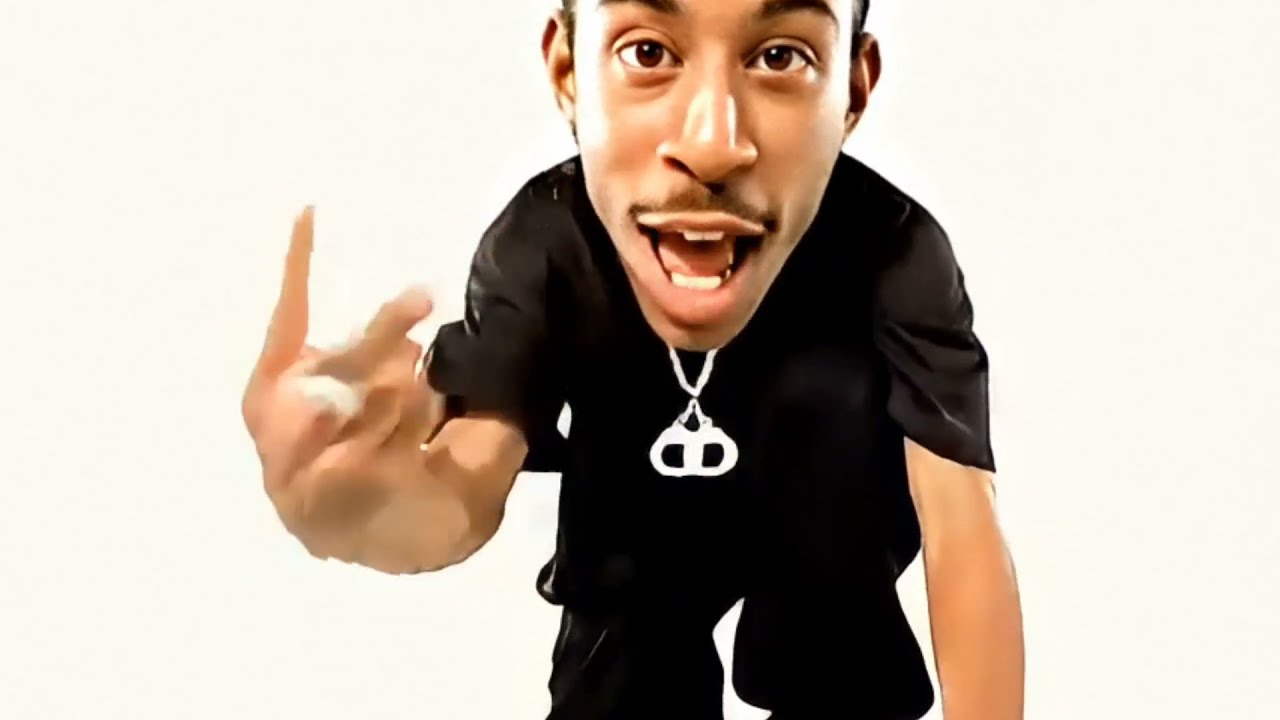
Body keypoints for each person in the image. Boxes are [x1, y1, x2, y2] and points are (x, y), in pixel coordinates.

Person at [240, 0, 1025, 718]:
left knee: (840, 658)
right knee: (625, 670)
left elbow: (961, 524)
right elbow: (469, 478)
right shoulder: (545, 245)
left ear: (851, 90)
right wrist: (372, 512)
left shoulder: (895, 253)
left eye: (781, 57)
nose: (713, 144)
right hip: (634, 550)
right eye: (648, 52)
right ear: (568, 72)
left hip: (829, 536)